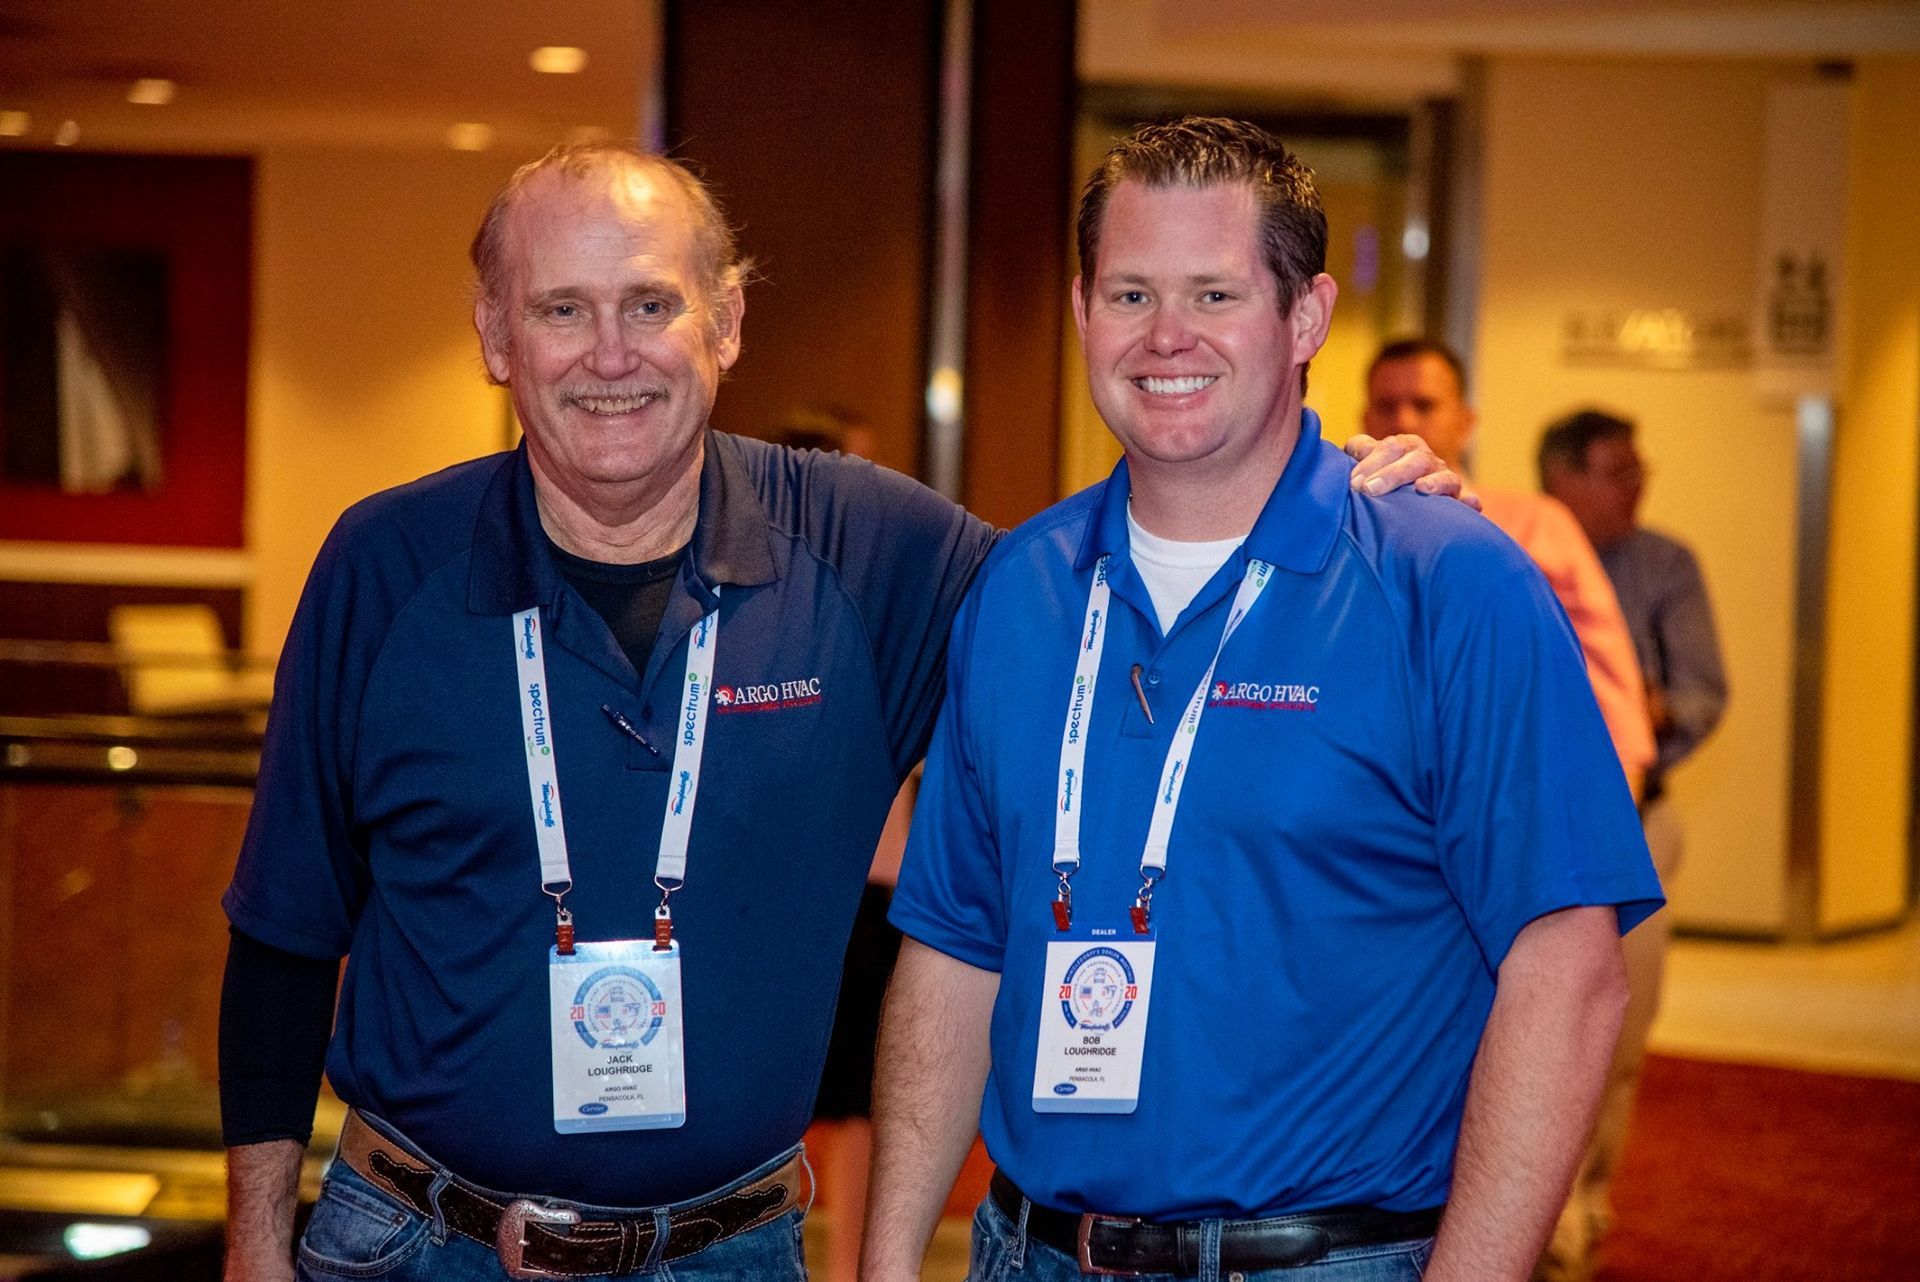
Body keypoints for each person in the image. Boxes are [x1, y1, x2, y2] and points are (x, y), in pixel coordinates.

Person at [217, 140, 1458, 1282]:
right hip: (416, 1239)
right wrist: (255, 1246)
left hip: (734, 1248)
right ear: (497, 334)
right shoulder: (385, 565)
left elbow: (1126, 591)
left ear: (728, 320)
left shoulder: (872, 549)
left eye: (651, 303)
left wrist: (1328, 490)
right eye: (561, 310)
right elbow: (283, 930)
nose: (611, 353)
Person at [861, 116, 1663, 1282]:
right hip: (1028, 1252)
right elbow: (954, 950)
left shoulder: (1448, 580)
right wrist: (886, 1267)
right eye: (1130, 293)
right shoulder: (1020, 590)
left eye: (1214, 294)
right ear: (1082, 311)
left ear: (1307, 318)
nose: (1166, 336)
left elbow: (1571, 971)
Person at [1537, 407, 1728, 1280]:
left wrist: (1626, 723)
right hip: (1525, 829)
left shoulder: (1664, 565)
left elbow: (1697, 697)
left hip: (1637, 824)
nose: (1637, 484)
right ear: (1559, 478)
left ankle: (1582, 1214)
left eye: (1637, 468)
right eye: (1617, 470)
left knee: (1614, 1036)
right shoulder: (1506, 544)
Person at [1363, 339, 1654, 798]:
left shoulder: (1536, 525)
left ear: (1465, 422)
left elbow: (1600, 667)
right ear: (1365, 419)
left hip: (1510, 787)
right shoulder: (1338, 530)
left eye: (1424, 405)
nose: (1403, 421)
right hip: (1376, 791)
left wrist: (1618, 790)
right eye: (1386, 406)